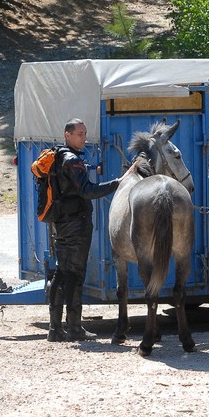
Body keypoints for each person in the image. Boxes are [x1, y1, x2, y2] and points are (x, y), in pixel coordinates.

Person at [47, 118, 137, 342]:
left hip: (61, 223)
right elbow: (87, 190)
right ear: (67, 135)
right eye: (79, 134)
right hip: (76, 225)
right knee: (76, 274)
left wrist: (92, 168)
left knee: (61, 272)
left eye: (85, 133)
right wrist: (118, 182)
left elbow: (74, 175)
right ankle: (75, 328)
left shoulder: (59, 156)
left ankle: (55, 328)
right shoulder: (72, 159)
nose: (84, 138)